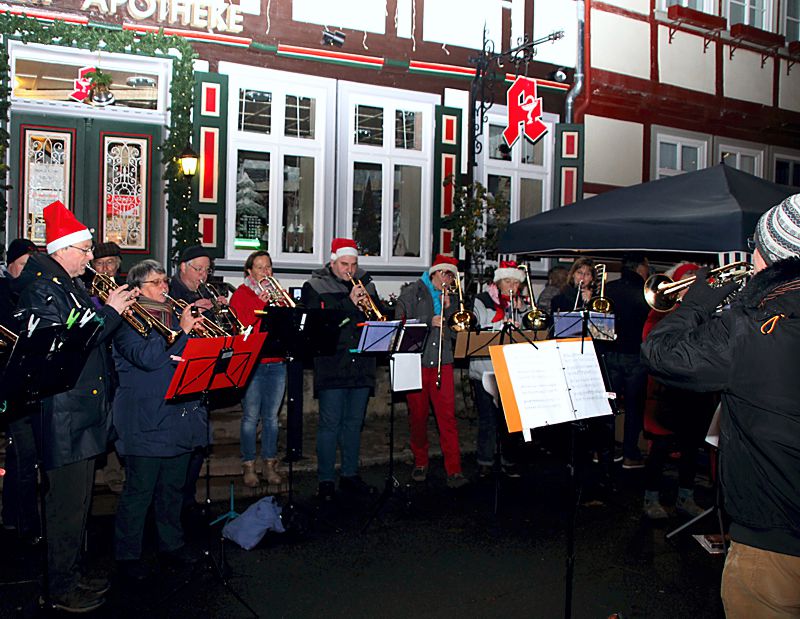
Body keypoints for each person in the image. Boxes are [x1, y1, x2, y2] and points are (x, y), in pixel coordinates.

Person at [641, 194, 800, 618]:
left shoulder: (750, 327)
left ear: (769, 257)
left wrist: (697, 301)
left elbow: (659, 352)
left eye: (754, 247)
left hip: (774, 539)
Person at [15, 200, 136, 613]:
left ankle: (73, 572)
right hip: (63, 414)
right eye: (85, 250)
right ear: (63, 249)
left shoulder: (67, 284)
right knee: (64, 508)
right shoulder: (43, 289)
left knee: (79, 506)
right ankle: (60, 587)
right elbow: (71, 344)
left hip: (82, 410)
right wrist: (112, 313)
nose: (89, 258)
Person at [112, 260, 207, 581]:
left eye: (165, 281)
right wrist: (183, 331)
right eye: (156, 282)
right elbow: (148, 358)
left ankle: (172, 545)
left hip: (177, 416)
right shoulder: (126, 320)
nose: (164, 287)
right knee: (139, 492)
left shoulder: (172, 317)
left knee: (172, 489)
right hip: (145, 419)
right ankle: (127, 555)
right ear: (137, 290)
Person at [300, 238, 382, 501]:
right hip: (332, 363)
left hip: (361, 363)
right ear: (333, 262)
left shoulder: (366, 284)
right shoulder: (315, 286)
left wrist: (370, 307)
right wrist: (349, 303)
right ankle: (325, 480)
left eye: (353, 264)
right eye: (344, 264)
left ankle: (350, 475)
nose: (350, 270)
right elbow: (320, 324)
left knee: (354, 424)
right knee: (330, 425)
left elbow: (379, 318)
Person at [640, 262, 716, 520]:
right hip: (666, 388)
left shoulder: (707, 310)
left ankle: (686, 497)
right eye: (687, 281)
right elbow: (650, 343)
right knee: (660, 445)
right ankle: (651, 498)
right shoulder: (663, 311)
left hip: (695, 388)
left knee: (691, 445)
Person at [395, 254, 467, 488]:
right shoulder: (412, 292)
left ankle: (454, 468)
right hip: (416, 362)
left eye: (452, 277)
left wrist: (450, 309)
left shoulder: (453, 298)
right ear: (436, 273)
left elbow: (457, 333)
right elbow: (400, 324)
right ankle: (420, 461)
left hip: (442, 361)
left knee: (447, 417)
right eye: (447, 275)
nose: (449, 281)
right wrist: (429, 320)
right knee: (418, 417)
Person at [168, 245, 220, 512]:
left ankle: (188, 496)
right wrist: (190, 312)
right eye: (198, 269)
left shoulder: (205, 291)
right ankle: (175, 499)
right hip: (177, 370)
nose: (203, 275)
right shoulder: (169, 291)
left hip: (203, 369)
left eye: (207, 270)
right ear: (183, 267)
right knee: (181, 442)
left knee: (200, 439)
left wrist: (218, 311)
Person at [229, 250, 287, 487]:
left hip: (276, 361)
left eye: (268, 267)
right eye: (260, 267)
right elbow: (242, 324)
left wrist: (281, 303)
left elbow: (288, 323)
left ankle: (270, 464)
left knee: (272, 418)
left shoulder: (277, 293)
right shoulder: (241, 294)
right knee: (251, 417)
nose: (265, 272)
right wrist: (260, 303)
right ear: (249, 271)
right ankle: (249, 464)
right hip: (252, 364)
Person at [468, 260, 528, 478]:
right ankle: (485, 460)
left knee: (510, 419)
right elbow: (477, 327)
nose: (512, 286)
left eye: (515, 282)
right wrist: (502, 325)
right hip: (485, 367)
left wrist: (522, 313)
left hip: (512, 368)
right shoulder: (482, 299)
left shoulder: (522, 303)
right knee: (488, 419)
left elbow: (533, 329)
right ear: (498, 282)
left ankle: (508, 459)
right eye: (507, 281)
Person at [0, 238, 40, 543]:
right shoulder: (4, 292)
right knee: (25, 457)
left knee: (22, 457)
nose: (28, 272)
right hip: (10, 385)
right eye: (24, 265)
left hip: (30, 384)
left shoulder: (31, 292)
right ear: (10, 264)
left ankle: (13, 517)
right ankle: (26, 525)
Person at [601, 253, 651, 469]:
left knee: (609, 407)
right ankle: (630, 454)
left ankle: (605, 452)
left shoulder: (609, 289)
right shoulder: (646, 292)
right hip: (636, 358)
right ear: (640, 268)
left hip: (612, 355)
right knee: (634, 408)